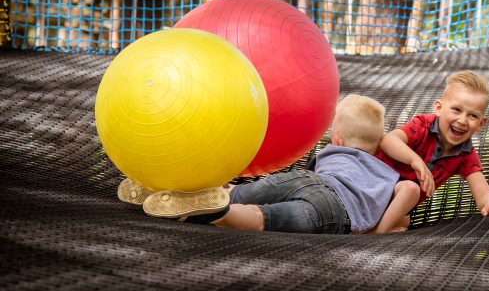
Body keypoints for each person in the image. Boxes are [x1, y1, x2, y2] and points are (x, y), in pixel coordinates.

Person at [117, 94, 420, 234]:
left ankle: (181, 188)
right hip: (334, 213)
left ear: (337, 140)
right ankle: (214, 215)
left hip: (309, 179)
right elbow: (408, 190)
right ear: (377, 146)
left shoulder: (332, 152)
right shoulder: (383, 172)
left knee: (244, 192)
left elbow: (305, 180)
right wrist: (382, 228)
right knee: (263, 219)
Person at [377, 70, 489, 231]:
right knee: (410, 189)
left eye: (472, 116)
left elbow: (483, 194)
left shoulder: (466, 155)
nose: (463, 120)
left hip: (394, 204)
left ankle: (374, 230)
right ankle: (376, 234)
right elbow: (388, 141)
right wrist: (415, 160)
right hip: (373, 184)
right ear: (439, 108)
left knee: (404, 221)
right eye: (456, 110)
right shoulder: (422, 126)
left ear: (481, 124)